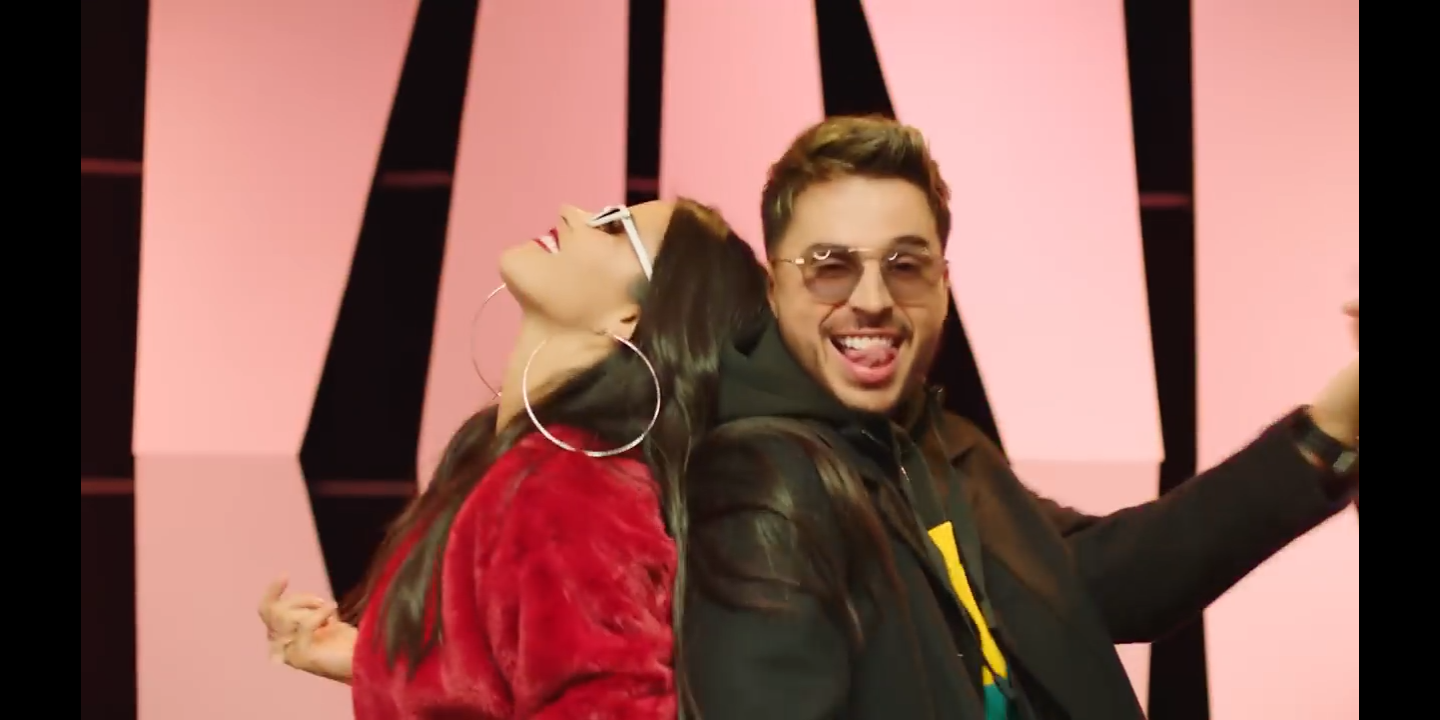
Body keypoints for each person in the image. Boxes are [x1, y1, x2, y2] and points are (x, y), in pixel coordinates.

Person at [680, 116, 1360, 720]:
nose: (873, 298)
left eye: (906, 265)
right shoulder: (759, 478)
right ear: (774, 288)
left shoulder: (934, 443)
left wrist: (1333, 426)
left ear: (943, 284)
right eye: (830, 267)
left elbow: (1105, 580)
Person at [259, 198, 768, 718]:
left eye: (614, 228)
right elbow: (498, 683)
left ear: (630, 316)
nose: (571, 213)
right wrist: (368, 660)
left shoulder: (571, 484)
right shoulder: (509, 457)